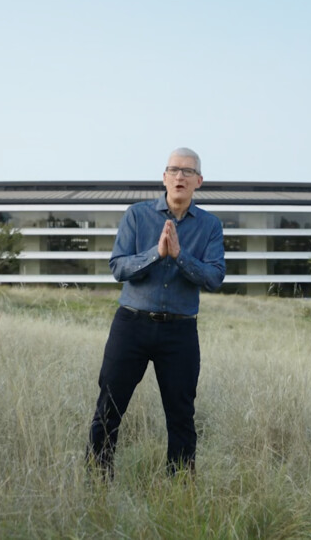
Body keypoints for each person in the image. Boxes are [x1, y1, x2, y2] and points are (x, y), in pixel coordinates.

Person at [86, 147, 226, 479]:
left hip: (179, 332)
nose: (180, 176)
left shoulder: (210, 226)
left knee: (181, 415)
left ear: (199, 182)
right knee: (109, 408)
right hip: (131, 325)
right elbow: (118, 267)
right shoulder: (137, 215)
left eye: (188, 172)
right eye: (174, 170)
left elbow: (214, 277)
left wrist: (179, 256)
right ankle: (96, 483)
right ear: (164, 177)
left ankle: (178, 490)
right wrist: (156, 253)